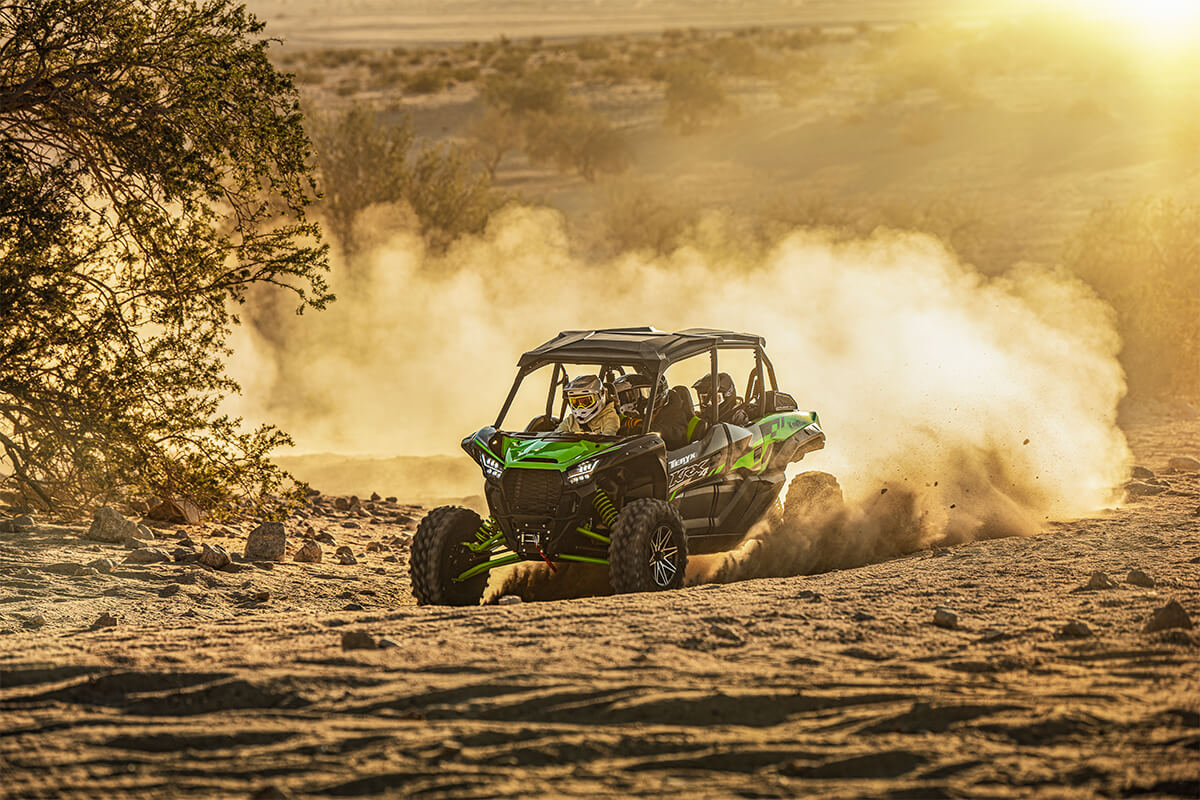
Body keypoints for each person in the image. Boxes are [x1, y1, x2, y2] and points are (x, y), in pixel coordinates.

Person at [613, 373, 691, 449]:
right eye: (640, 393)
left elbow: (674, 433)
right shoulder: (643, 412)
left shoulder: (676, 413)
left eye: (648, 393)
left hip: (668, 456)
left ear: (659, 393)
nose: (643, 399)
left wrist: (643, 427)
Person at [689, 371, 749, 440]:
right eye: (704, 398)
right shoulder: (701, 418)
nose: (708, 403)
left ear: (727, 396)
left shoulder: (737, 418)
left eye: (715, 399)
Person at [556, 374, 620, 436]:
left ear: (600, 396)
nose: (580, 407)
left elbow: (608, 441)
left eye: (585, 402)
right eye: (575, 402)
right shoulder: (571, 420)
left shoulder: (610, 418)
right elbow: (555, 437)